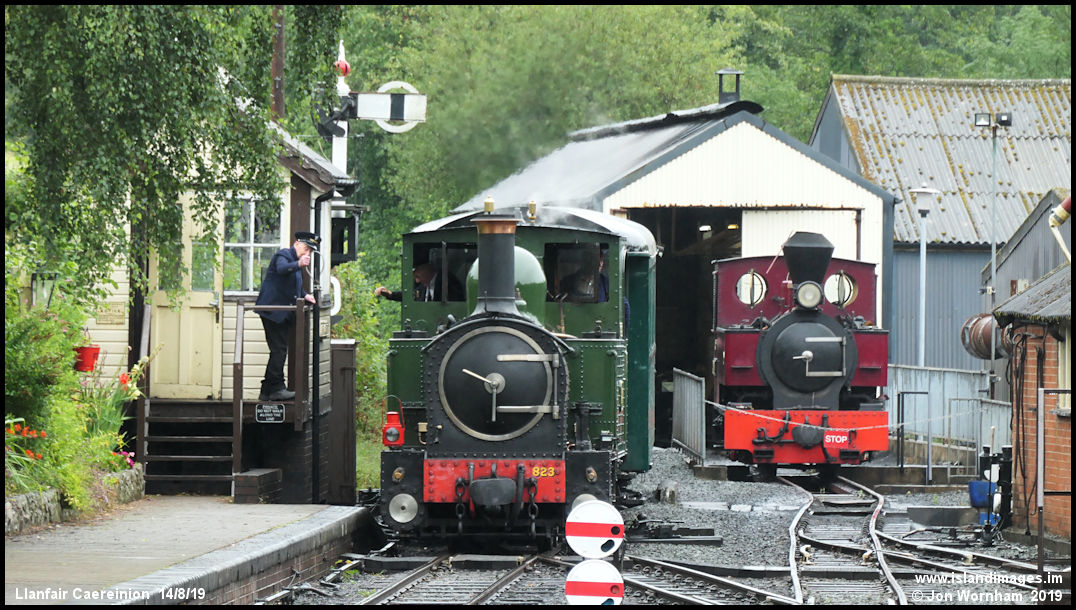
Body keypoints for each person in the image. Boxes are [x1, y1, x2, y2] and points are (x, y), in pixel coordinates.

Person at [255, 231, 319, 402]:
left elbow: (293, 286)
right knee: (279, 350)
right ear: (296, 244)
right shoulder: (283, 255)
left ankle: (266, 391)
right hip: (272, 311)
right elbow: (281, 269)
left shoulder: (295, 263)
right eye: (306, 248)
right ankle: (276, 389)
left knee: (279, 350)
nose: (307, 253)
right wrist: (299, 263)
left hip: (281, 313)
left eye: (310, 251)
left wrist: (305, 295)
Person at [375, 263, 464, 302]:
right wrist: (390, 294)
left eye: (418, 276)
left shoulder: (447, 282)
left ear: (427, 270)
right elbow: (411, 296)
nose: (417, 281)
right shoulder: (424, 287)